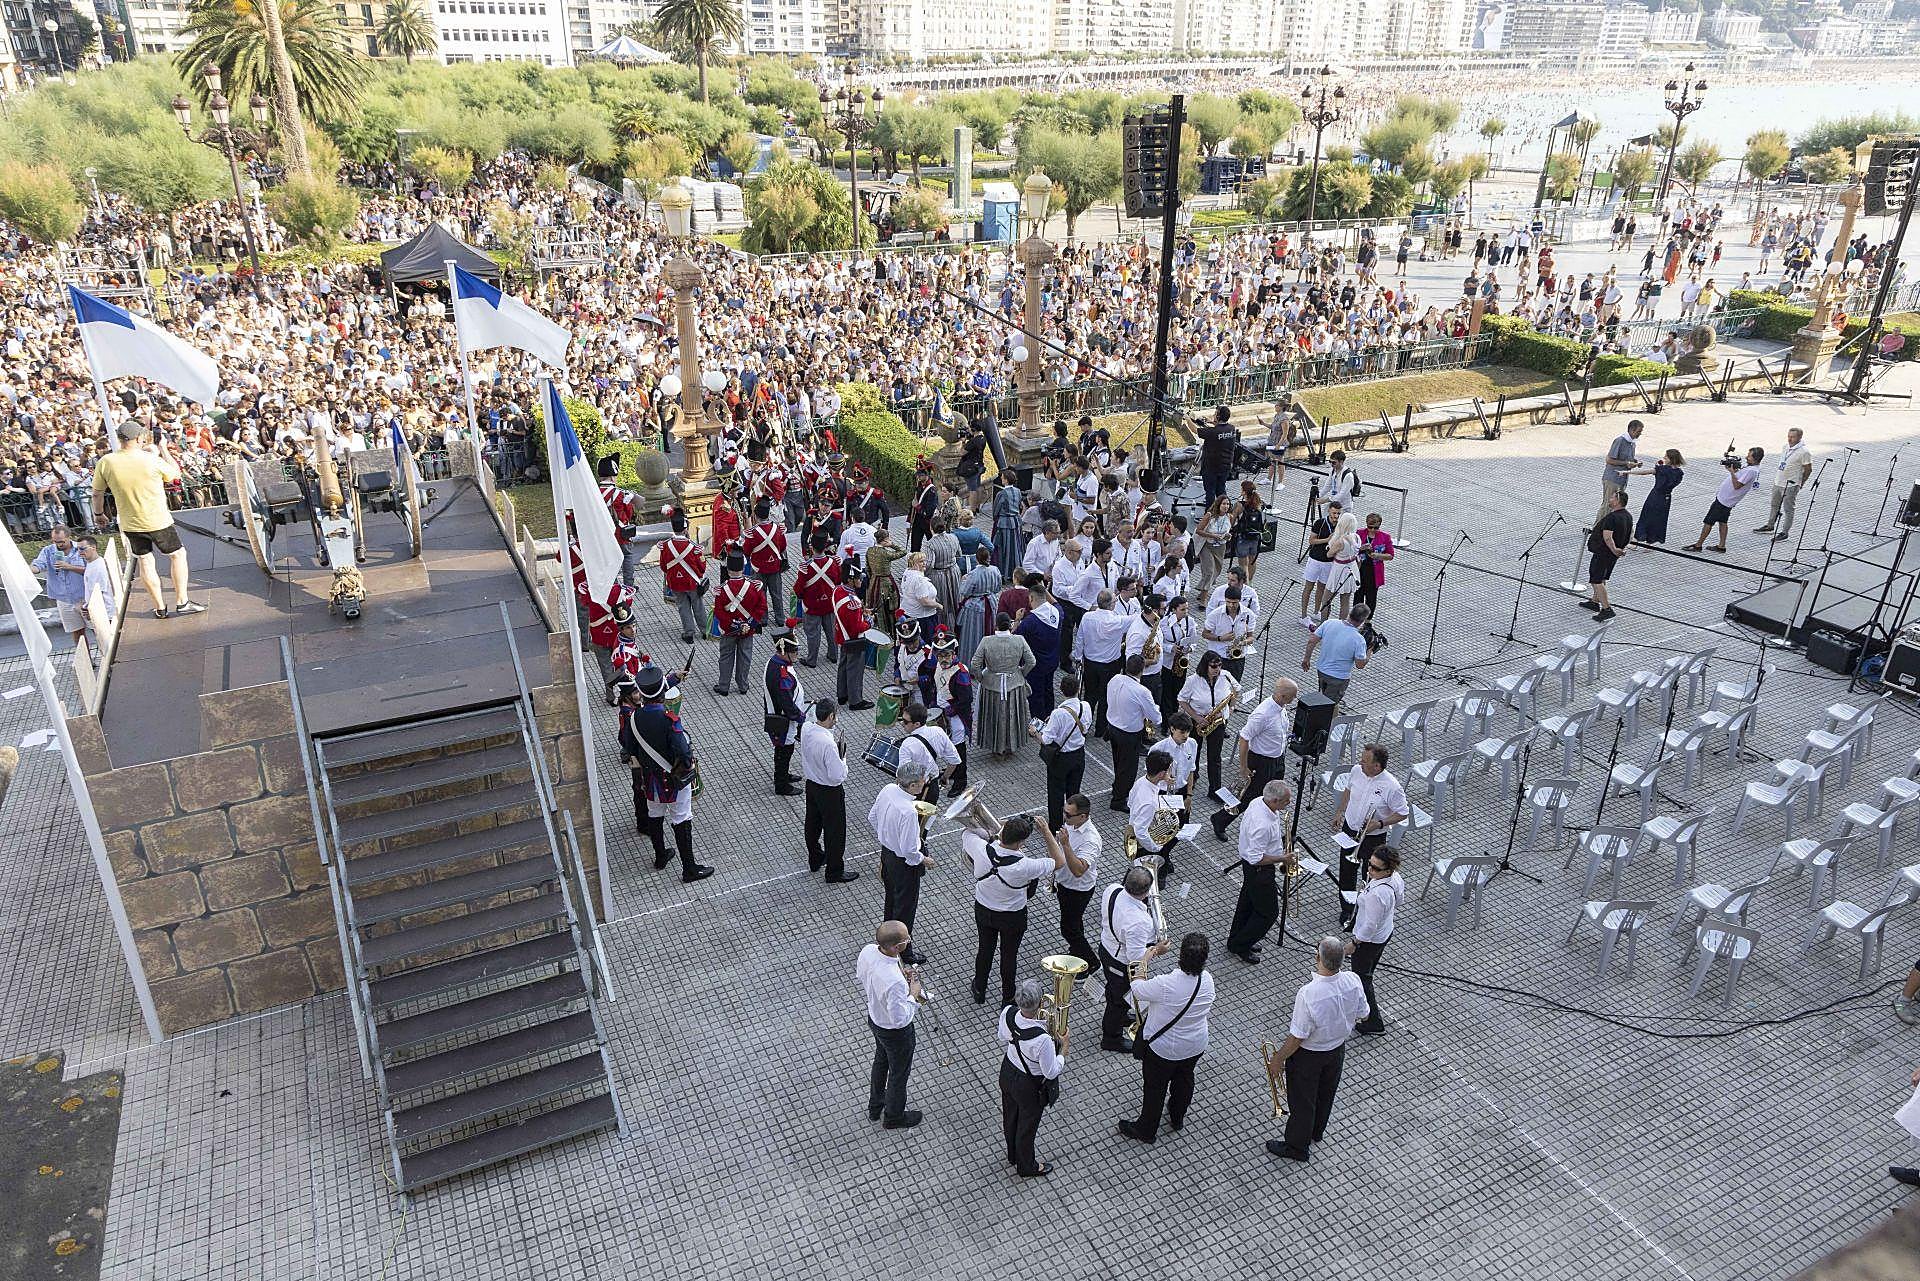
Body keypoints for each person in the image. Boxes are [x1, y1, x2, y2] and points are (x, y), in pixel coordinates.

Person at [1263, 935, 1369, 1163]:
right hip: (1337, 1050)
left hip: (1309, 1056)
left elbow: (1298, 1036)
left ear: (1317, 958)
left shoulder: (1308, 994)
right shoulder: (1353, 980)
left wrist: (1278, 1059)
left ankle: (1297, 1147)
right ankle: (1316, 1132)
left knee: (1302, 1101)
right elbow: (1364, 1014)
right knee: (1325, 1093)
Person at [90, 421, 206, 619]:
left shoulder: (106, 462)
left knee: (145, 560)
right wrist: (162, 448)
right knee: (177, 555)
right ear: (139, 438)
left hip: (129, 522)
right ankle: (182, 601)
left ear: (119, 438)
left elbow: (97, 493)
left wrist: (99, 514)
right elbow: (175, 475)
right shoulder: (150, 459)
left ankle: (160, 607)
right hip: (157, 520)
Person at [617, 666, 714, 883]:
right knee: (681, 817)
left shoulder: (633, 718)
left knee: (655, 813)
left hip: (650, 778)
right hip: (675, 778)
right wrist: (687, 763)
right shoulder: (669, 719)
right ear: (662, 692)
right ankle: (689, 868)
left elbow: (628, 746)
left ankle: (660, 857)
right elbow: (682, 751)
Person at [1117, 931, 1214, 1145]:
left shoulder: (1166, 984)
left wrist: (1148, 955)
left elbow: (1137, 988)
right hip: (1195, 1044)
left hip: (1164, 1049)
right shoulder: (1207, 981)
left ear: (1181, 955)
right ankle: (1177, 1117)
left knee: (1155, 1088)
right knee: (1185, 1079)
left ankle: (1146, 1130)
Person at [966, 814, 1067, 1007]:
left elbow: (968, 831)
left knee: (985, 949)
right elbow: (1059, 861)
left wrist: (996, 826)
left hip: (984, 909)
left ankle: (979, 989)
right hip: (1012, 916)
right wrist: (1046, 832)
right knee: (1009, 955)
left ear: (1003, 832)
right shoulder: (1026, 865)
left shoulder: (980, 848)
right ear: (1022, 842)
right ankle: (1008, 997)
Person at [1330, 745, 1408, 929]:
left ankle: (1366, 909)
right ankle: (1347, 908)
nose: (1360, 763)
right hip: (1351, 828)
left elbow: (1403, 813)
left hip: (1373, 837)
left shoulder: (1392, 786)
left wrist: (1379, 823)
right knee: (1346, 869)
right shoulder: (1357, 771)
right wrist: (1340, 811)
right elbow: (1348, 789)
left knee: (1371, 874)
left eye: (1365, 761)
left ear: (1377, 766)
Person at [1211, 677, 1298, 840]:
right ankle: (1220, 820)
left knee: (1274, 796)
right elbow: (1244, 738)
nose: (1294, 700)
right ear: (1283, 696)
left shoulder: (1281, 707)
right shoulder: (1263, 714)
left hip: (1277, 759)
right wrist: (1243, 767)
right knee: (1248, 796)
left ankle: (1263, 824)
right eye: (1293, 696)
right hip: (1261, 761)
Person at [998, 977, 1067, 1177]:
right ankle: (1026, 1166)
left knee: (1010, 1116)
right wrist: (1064, 1050)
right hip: (1028, 1085)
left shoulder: (1008, 1013)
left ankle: (1013, 1155)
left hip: (1008, 1071)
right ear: (1038, 1004)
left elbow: (1003, 1036)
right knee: (1027, 1126)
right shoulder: (1043, 1038)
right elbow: (1051, 1071)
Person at [857, 921, 923, 1129]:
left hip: (875, 1018)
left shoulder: (868, 951)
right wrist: (913, 995)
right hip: (895, 1032)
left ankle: (876, 1105)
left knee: (881, 1061)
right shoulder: (893, 981)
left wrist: (901, 978)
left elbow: (864, 975)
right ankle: (894, 1116)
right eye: (906, 940)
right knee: (898, 1073)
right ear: (896, 947)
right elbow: (899, 1019)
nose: (909, 941)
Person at [869, 761, 933, 961]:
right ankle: (904, 951)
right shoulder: (908, 811)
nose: (925, 784)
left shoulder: (888, 789)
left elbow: (872, 817)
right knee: (905, 908)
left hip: (887, 854)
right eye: (922, 782)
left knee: (891, 899)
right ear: (913, 785)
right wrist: (925, 860)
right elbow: (909, 851)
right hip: (904, 865)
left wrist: (887, 836)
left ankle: (887, 936)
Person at [1099, 864, 1165, 1053]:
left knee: (1115, 991)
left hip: (1107, 948)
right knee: (1117, 1001)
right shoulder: (1138, 921)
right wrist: (1156, 950)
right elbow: (1136, 960)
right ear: (1146, 892)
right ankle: (1111, 1039)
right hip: (1120, 962)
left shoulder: (1113, 889)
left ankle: (1118, 1013)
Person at [1227, 780, 1295, 964]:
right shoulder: (1262, 825)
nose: (1288, 804)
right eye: (1285, 801)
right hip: (1259, 870)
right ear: (1274, 801)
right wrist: (1282, 859)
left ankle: (1235, 941)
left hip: (1252, 866)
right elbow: (1256, 857)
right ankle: (1241, 944)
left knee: (1247, 904)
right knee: (1268, 913)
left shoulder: (1259, 801)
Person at [1348, 845, 1404, 1035]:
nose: (1369, 870)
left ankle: (1373, 1021)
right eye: (1369, 865)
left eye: (1375, 868)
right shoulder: (1395, 879)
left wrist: (1354, 943)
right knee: (1367, 973)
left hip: (1369, 941)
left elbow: (1370, 926)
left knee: (1362, 978)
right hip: (1385, 933)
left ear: (1387, 870)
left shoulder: (1378, 894)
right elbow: (1400, 900)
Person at [802, 699, 858, 884]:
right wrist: (844, 759)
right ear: (831, 716)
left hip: (811, 785)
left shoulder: (807, 729)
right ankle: (834, 871)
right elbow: (837, 776)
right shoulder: (828, 744)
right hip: (830, 791)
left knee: (812, 823)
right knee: (835, 832)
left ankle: (815, 857)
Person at [971, 611, 1036, 760]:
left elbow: (974, 665)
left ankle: (997, 749)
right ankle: (1011, 747)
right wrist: (1020, 674)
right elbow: (1031, 661)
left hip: (992, 684)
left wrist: (982, 678)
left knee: (994, 716)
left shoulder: (986, 641)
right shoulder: (1019, 640)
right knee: (1012, 715)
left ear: (996, 625)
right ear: (1010, 625)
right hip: (1014, 683)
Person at [1105, 653, 1163, 811]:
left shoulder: (1115, 678)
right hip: (1129, 734)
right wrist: (1156, 708)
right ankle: (1118, 799)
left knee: (1118, 761)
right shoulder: (1142, 691)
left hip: (1112, 727)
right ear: (1142, 670)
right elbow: (1156, 718)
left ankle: (1117, 787)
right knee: (1128, 768)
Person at [1037, 674, 1093, 830]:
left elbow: (1047, 740)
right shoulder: (1085, 706)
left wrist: (1035, 733)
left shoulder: (1058, 713)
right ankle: (1072, 823)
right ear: (1078, 689)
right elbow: (1086, 728)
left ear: (1061, 690)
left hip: (1060, 759)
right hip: (1079, 755)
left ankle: (1055, 826)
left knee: (1056, 794)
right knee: (1074, 792)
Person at [1685, 446, 1763, 554]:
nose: (1746, 457)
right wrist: (1734, 470)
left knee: (1708, 522)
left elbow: (1737, 485)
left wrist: (1731, 472)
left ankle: (1698, 545)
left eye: (1749, 456)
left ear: (1756, 458)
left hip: (1724, 501)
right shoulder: (1750, 468)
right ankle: (1721, 546)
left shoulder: (1752, 471)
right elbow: (1739, 478)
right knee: (1723, 522)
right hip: (1726, 500)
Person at [1053, 793, 1101, 968]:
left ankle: (1092, 962)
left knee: (1068, 929)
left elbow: (1079, 870)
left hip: (1078, 889)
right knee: (1074, 923)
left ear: (1083, 816)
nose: (1064, 817)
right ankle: (1076, 952)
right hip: (1064, 884)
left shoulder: (1091, 839)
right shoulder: (1072, 823)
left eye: (1068, 814)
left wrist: (1065, 845)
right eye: (1064, 812)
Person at [712, 552, 769, 696]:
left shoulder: (721, 590)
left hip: (728, 630)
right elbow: (761, 607)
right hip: (748, 630)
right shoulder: (754, 586)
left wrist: (735, 625)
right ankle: (743, 685)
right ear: (743, 568)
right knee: (745, 657)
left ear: (728, 569)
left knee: (725, 657)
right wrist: (749, 624)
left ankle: (724, 686)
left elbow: (719, 613)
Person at [31, 525, 89, 656]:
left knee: (97, 628)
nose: (58, 544)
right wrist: (29, 570)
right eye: (55, 541)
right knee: (77, 632)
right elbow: (39, 565)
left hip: (84, 597)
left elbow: (91, 570)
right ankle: (87, 661)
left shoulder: (81, 548)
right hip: (64, 600)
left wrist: (69, 567)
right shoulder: (48, 551)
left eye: (61, 541)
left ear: (69, 538)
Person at [1303, 603, 1373, 706]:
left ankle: (1326, 714)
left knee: (1324, 699)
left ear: (1350, 613)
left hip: (1322, 670)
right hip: (1338, 678)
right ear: (1362, 621)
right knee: (1328, 706)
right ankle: (1326, 720)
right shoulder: (1358, 639)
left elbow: (1312, 641)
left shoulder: (1330, 623)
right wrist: (1369, 652)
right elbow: (1360, 665)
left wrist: (1306, 659)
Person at [764, 631, 805, 796]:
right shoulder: (782, 674)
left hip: (780, 717)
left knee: (783, 751)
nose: (796, 655)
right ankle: (781, 785)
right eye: (794, 651)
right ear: (783, 651)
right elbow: (786, 703)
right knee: (784, 751)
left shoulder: (773, 663)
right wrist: (800, 716)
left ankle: (783, 775)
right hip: (783, 720)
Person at [897, 701, 961, 805]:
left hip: (912, 792)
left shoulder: (907, 744)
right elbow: (954, 760)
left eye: (905, 721)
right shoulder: (938, 731)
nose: (901, 723)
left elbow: (902, 775)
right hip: (932, 788)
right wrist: (944, 778)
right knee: (927, 820)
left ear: (917, 724)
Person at [828, 565, 874, 710]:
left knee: (843, 666)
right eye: (858, 578)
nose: (861, 580)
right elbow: (856, 628)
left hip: (842, 635)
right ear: (850, 580)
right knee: (855, 669)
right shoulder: (852, 602)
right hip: (853, 639)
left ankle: (842, 695)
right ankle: (855, 701)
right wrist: (869, 622)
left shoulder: (838, 590)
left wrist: (862, 611)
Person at [1586, 490, 1635, 622]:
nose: (1610, 500)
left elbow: (1608, 538)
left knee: (1596, 580)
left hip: (1604, 553)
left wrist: (1614, 549)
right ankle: (1594, 601)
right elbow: (1630, 534)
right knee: (1601, 578)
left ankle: (1607, 608)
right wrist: (1621, 550)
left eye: (1612, 498)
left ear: (1618, 501)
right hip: (1613, 555)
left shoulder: (1612, 518)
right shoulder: (1628, 516)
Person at [1757, 427, 1813, 541]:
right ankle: (1770, 525)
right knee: (1774, 505)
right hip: (1778, 482)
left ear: (1799, 437)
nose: (1790, 439)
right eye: (1789, 436)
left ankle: (1784, 532)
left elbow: (1808, 469)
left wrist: (1801, 482)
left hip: (1791, 485)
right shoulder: (1785, 447)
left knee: (1788, 509)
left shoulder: (1804, 452)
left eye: (1793, 437)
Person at [1634, 449, 1685, 546]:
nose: (1664, 458)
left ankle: (1637, 539)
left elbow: (1646, 472)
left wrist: (1627, 472)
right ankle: (1651, 541)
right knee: (1659, 519)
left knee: (1645, 516)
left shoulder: (1662, 469)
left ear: (1671, 459)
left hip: (1655, 495)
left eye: (1666, 456)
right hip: (1666, 497)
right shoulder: (1679, 473)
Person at [1598, 419, 1644, 525]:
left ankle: (1608, 528)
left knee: (1617, 504)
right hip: (1612, 478)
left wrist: (1635, 462)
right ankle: (1598, 527)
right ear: (1632, 430)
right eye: (1638, 431)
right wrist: (1626, 463)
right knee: (1608, 504)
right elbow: (1609, 460)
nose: (1640, 434)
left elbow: (1627, 459)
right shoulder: (1620, 441)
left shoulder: (1632, 443)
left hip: (1622, 479)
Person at [1354, 513, 1394, 622]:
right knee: (1358, 596)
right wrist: (1362, 547)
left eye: (1375, 528)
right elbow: (1352, 549)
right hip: (1360, 569)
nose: (1372, 530)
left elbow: (1390, 555)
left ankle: (1367, 621)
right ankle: (1356, 619)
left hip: (1374, 573)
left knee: (1371, 598)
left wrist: (1378, 555)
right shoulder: (1359, 533)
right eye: (1369, 527)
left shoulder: (1385, 537)